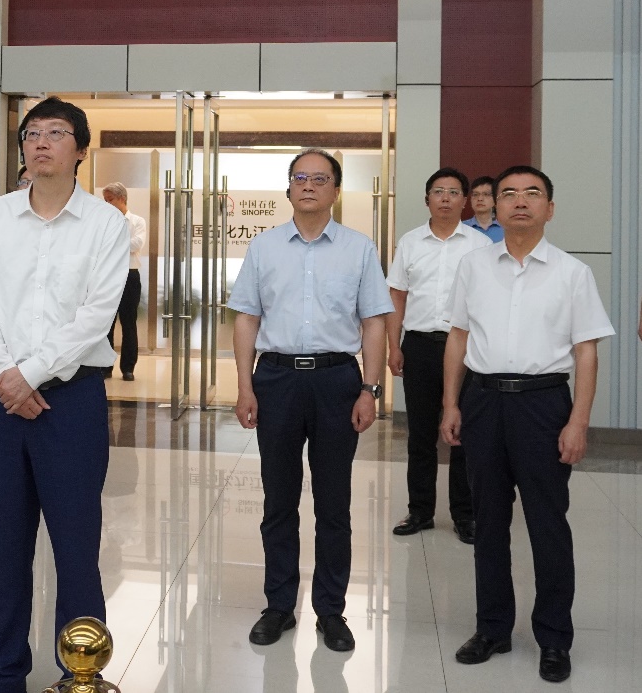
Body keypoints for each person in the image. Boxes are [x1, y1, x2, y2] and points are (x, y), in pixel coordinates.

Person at [0, 96, 129, 693]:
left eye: (56, 132)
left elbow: (95, 316)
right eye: (32, 132)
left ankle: (78, 673)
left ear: (80, 149)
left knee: (76, 544)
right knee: (6, 544)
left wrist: (27, 375)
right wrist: (8, 375)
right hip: (2, 398)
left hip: (73, 401)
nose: (41, 142)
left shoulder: (105, 224)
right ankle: (4, 671)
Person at [442, 166, 613, 684]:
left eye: (532, 193)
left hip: (543, 406)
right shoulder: (473, 265)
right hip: (484, 402)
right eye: (510, 194)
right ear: (495, 205)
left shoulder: (572, 273)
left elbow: (586, 352)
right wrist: (452, 404)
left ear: (549, 209)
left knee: (547, 524)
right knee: (489, 522)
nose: (520, 201)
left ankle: (554, 638)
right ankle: (492, 628)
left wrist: (578, 421)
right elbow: (457, 337)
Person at [229, 149, 392, 653]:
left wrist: (369, 388)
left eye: (320, 179)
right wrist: (244, 385)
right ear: (288, 188)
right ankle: (279, 605)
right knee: (278, 499)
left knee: (334, 502)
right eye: (300, 177)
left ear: (336, 191)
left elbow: (374, 322)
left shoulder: (359, 249)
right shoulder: (264, 247)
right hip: (276, 379)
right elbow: (246, 318)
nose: (308, 186)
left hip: (336, 381)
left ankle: (331, 611)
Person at [387, 168, 491, 544]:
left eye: (453, 192)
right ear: (427, 199)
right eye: (438, 191)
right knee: (420, 434)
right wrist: (394, 345)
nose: (445, 198)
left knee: (463, 433)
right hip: (419, 346)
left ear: (465, 201)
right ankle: (420, 511)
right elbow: (397, 296)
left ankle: (465, 514)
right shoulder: (410, 242)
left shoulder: (480, 245)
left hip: (466, 348)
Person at [100, 182, 146, 381]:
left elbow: (137, 244)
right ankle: (105, 366)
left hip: (129, 276)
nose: (107, 204)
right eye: (105, 200)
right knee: (106, 324)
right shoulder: (103, 222)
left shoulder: (137, 221)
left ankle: (128, 368)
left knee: (129, 324)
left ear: (122, 199)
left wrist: (114, 245)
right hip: (108, 276)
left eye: (110, 200)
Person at [463, 176, 503, 242]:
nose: (480, 199)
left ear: (496, 199)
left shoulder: (506, 228)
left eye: (486, 194)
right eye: (475, 194)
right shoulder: (461, 228)